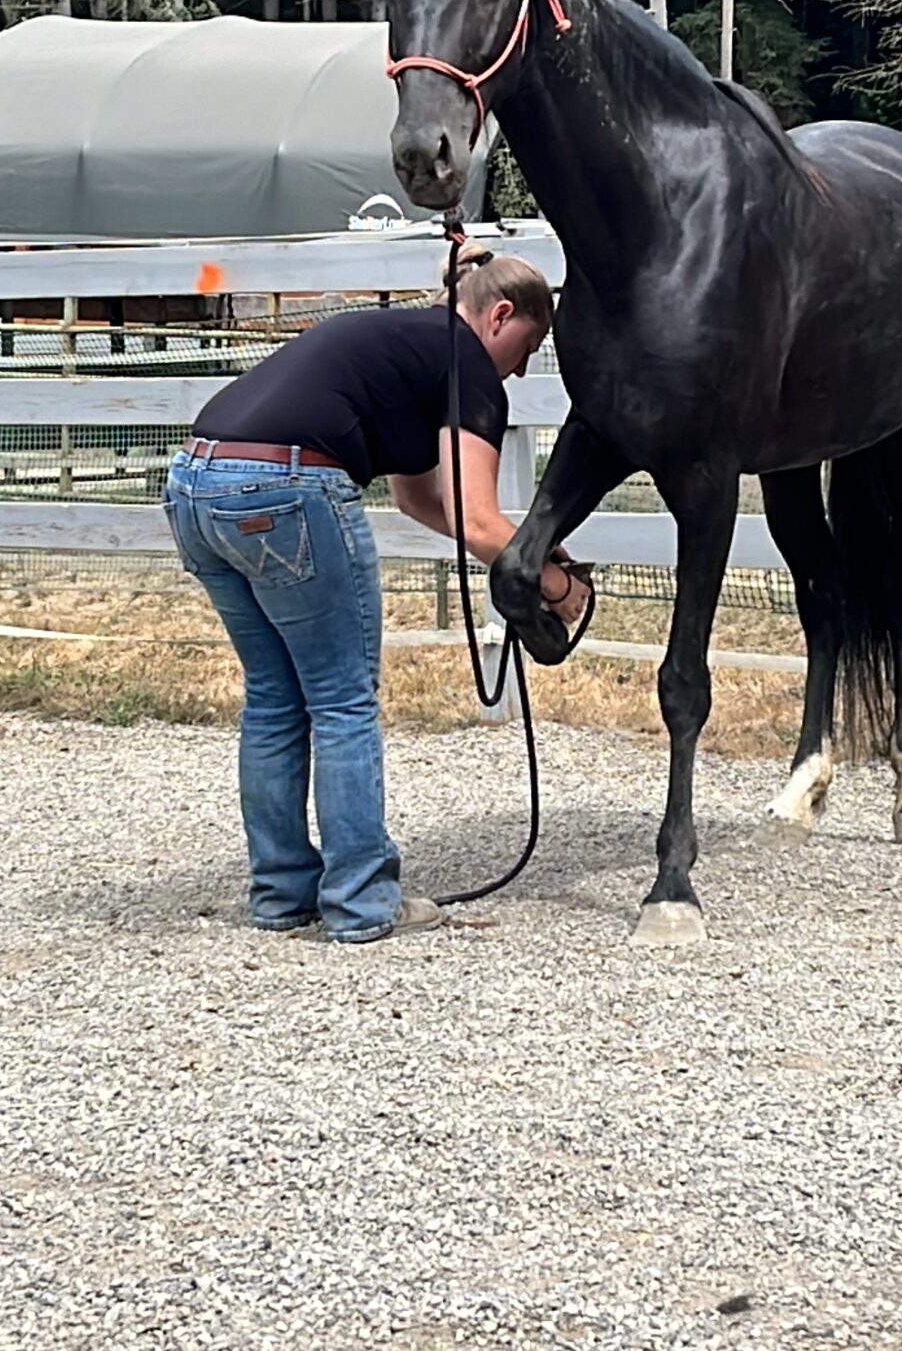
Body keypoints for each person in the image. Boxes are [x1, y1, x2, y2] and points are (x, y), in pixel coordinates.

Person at [164, 249, 588, 945]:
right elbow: (479, 521)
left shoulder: (405, 342)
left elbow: (427, 500)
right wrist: (558, 588)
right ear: (501, 315)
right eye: (529, 345)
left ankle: (280, 896)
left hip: (194, 482)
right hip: (290, 486)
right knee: (340, 699)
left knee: (274, 695)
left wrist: (534, 550)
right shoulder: (470, 362)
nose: (521, 365)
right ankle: (362, 903)